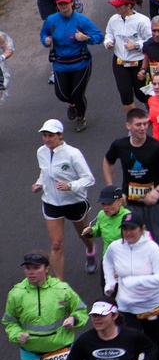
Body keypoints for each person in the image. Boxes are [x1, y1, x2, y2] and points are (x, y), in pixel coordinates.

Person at [102, 212, 159, 360]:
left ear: (142, 229)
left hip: (152, 305)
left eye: (132, 228)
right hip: (126, 306)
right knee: (129, 344)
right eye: (125, 229)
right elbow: (107, 263)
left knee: (152, 342)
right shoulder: (115, 248)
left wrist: (136, 281)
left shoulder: (152, 249)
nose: (128, 232)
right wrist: (110, 283)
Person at [103, 108, 159, 250]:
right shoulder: (120, 145)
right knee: (131, 243)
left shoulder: (157, 147)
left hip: (155, 206)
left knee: (156, 245)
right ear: (128, 126)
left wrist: (158, 191)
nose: (143, 128)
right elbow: (108, 161)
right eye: (138, 124)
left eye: (146, 124)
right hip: (131, 204)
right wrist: (113, 190)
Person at [33, 118, 96, 279]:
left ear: (60, 135)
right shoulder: (41, 152)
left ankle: (90, 250)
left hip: (75, 202)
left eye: (51, 136)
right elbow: (45, 172)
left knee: (83, 234)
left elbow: (89, 179)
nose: (47, 139)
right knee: (56, 245)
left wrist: (71, 186)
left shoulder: (73, 154)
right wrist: (39, 183)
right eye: (45, 135)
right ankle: (58, 287)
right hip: (51, 202)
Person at [41, 0, 102, 130]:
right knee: (61, 94)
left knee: (77, 94)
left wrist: (86, 37)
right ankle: (72, 104)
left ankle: (81, 117)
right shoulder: (51, 20)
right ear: (57, 5)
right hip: (60, 63)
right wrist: (46, 40)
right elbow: (44, 33)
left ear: (72, 3)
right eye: (61, 4)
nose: (64, 6)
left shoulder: (81, 20)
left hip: (80, 62)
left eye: (66, 3)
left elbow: (99, 36)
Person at [104, 0, 152, 114]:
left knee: (142, 93)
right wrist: (108, 42)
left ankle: (152, 112)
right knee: (125, 95)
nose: (116, 8)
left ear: (129, 6)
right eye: (115, 5)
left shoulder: (143, 21)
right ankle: (134, 123)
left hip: (139, 62)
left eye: (119, 5)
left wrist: (136, 45)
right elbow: (109, 34)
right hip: (120, 62)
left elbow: (151, 41)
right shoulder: (113, 19)